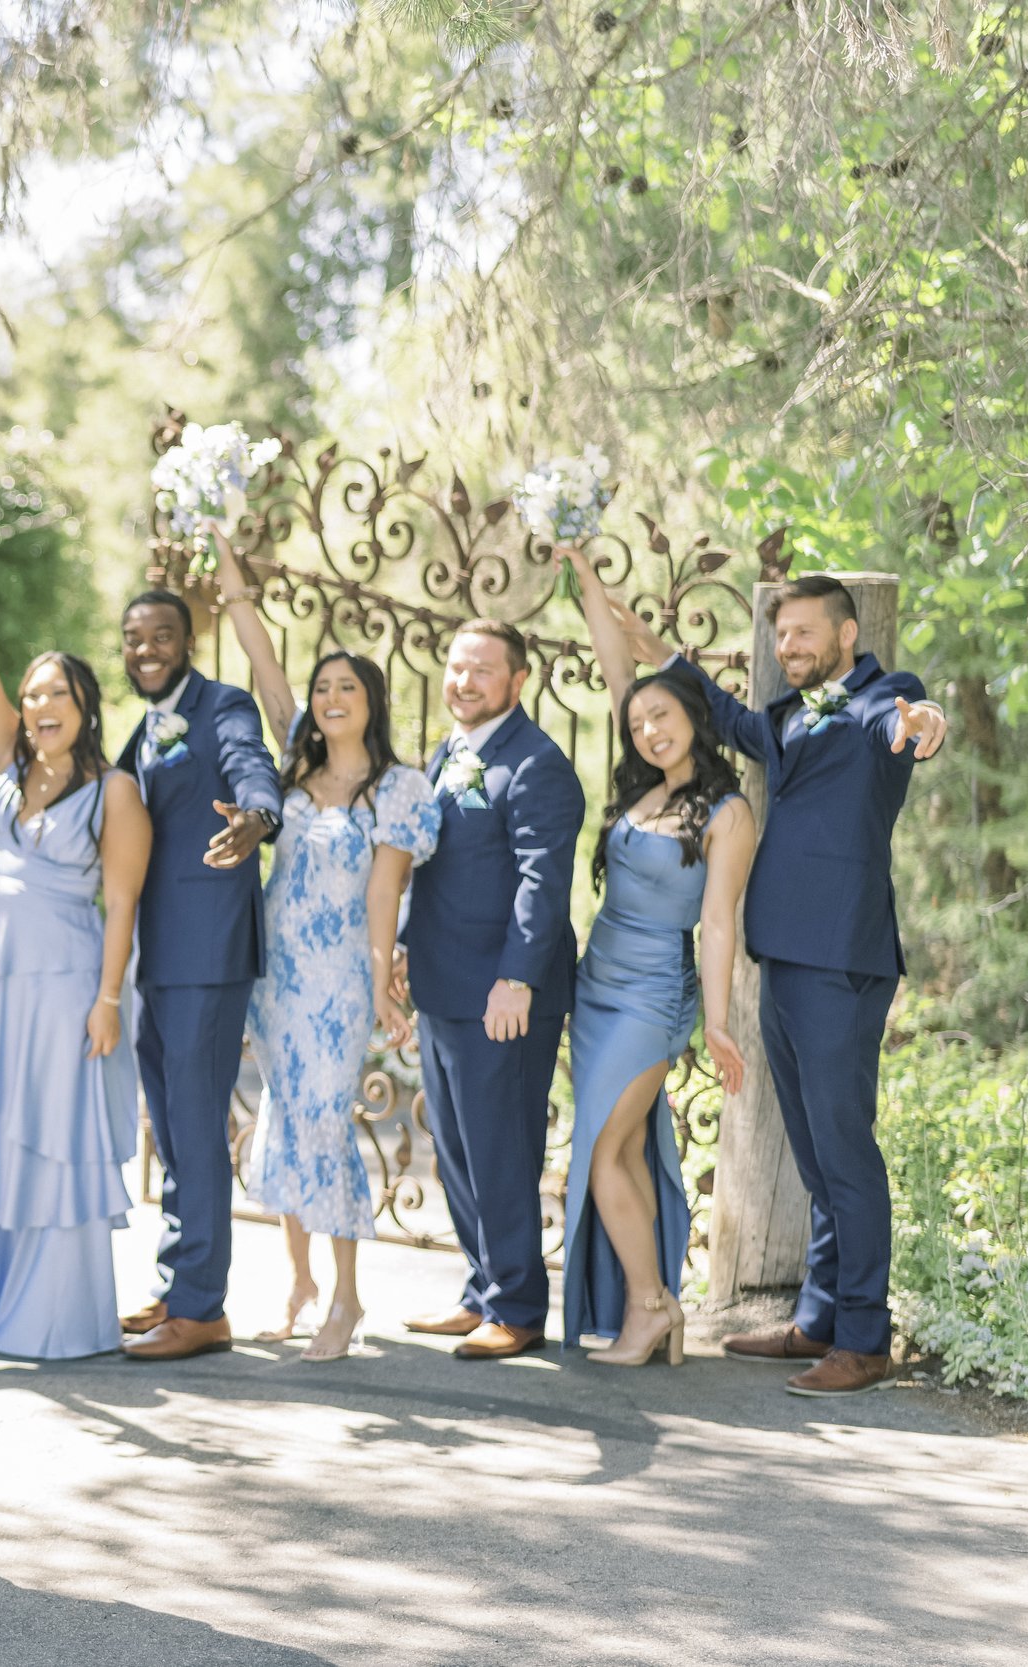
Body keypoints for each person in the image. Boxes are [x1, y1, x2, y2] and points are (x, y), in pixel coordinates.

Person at [606, 572, 947, 1395]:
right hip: (786, 956)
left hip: (841, 956)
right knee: (814, 1152)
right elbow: (721, 713)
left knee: (846, 1151)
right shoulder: (789, 717)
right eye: (781, 635)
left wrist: (924, 723)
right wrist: (647, 640)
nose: (789, 647)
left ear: (846, 634)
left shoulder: (881, 700)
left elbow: (911, 720)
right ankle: (820, 1318)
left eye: (804, 633)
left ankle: (864, 1339)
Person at [0, 530, 147, 1360]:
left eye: (58, 694)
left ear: (84, 706)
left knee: (51, 1136)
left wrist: (108, 1000)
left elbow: (121, 904)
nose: (41, 705)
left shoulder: (114, 791)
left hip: (64, 988)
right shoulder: (5, 769)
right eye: (33, 693)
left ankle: (53, 1320)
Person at [213, 556, 436, 1362]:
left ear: (371, 701)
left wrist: (381, 988)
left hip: (340, 981)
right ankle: (300, 1280)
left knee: (322, 1123)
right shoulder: (297, 768)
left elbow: (385, 897)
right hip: (276, 979)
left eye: (348, 687)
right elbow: (266, 665)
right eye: (324, 687)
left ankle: (346, 1297)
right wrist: (228, 567)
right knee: (282, 1116)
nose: (331, 698)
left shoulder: (398, 789)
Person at [555, 547, 756, 1367]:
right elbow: (614, 661)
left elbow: (718, 923)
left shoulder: (728, 810)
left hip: (654, 998)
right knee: (627, 1147)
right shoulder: (641, 784)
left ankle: (647, 1306)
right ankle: (655, 1302)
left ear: (695, 716)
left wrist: (713, 1022)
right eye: (638, 722)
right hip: (597, 984)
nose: (647, 728)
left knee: (603, 1149)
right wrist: (583, 569)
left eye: (662, 716)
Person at [401, 619, 586, 1361]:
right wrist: (402, 945)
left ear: (518, 681)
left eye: (482, 670)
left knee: (502, 1147)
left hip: (503, 996)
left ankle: (517, 1305)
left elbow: (544, 883)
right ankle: (481, 1289)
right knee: (456, 1149)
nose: (464, 682)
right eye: (456, 667)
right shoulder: (448, 754)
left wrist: (516, 978)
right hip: (443, 986)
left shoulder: (537, 764)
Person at [112, 587, 283, 1362]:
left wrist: (259, 817)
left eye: (161, 635)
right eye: (133, 637)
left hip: (210, 950)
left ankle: (202, 1305)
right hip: (159, 951)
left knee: (196, 1124)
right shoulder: (143, 728)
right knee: (172, 1123)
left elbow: (252, 767)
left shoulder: (222, 705)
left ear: (187, 640)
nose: (146, 648)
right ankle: (179, 1279)